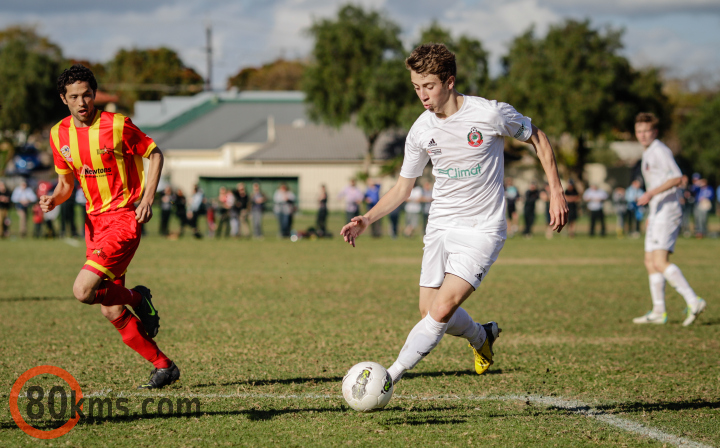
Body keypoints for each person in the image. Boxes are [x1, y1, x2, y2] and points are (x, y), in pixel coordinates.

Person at [340, 43, 567, 385]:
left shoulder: (490, 114)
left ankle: (389, 377)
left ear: (449, 81)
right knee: (428, 310)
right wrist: (367, 218)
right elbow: (403, 187)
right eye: (416, 87)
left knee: (442, 309)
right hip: (441, 226)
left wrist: (556, 190)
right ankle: (481, 336)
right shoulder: (420, 130)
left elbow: (538, 138)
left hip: (483, 229)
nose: (423, 95)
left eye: (428, 86)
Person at [39, 64, 179, 388]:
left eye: (87, 94)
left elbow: (155, 154)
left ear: (94, 94)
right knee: (110, 310)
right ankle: (164, 365)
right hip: (94, 224)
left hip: (123, 218)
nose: (82, 102)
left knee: (82, 290)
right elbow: (65, 185)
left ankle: (138, 298)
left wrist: (147, 199)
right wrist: (53, 200)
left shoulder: (117, 126)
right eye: (74, 96)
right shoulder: (58, 134)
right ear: (64, 99)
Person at [632, 112, 705, 326]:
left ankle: (694, 300)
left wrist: (650, 194)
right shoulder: (647, 153)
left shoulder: (660, 150)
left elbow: (677, 177)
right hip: (657, 211)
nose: (643, 135)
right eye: (639, 131)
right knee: (649, 261)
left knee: (659, 261)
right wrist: (651, 211)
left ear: (654, 132)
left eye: (646, 131)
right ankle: (658, 311)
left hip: (668, 210)